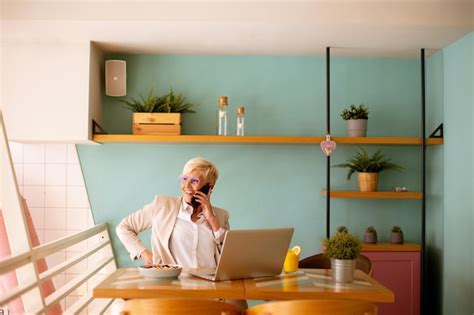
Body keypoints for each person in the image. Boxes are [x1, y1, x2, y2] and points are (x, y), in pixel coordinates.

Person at [116, 157, 229, 268]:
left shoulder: (221, 216)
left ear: (209, 187)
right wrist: (145, 254)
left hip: (211, 284)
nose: (186, 185)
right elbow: (124, 227)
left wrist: (212, 220)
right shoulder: (162, 206)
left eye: (194, 181)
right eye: (184, 179)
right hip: (173, 283)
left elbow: (229, 255)